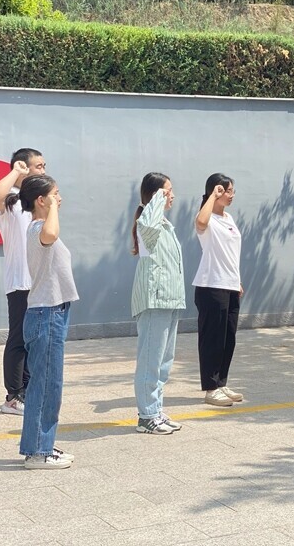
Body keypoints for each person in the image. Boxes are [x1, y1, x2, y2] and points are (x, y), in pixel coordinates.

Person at [7, 175, 78, 469]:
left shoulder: (38, 227)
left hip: (52, 313)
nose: (60, 199)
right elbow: (50, 233)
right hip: (46, 314)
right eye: (55, 194)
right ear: (41, 200)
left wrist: (52, 206)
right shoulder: (39, 227)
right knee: (46, 385)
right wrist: (52, 208)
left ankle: (42, 444)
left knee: (49, 384)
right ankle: (38, 452)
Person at [0, 148, 47, 415]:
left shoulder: (37, 203)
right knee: (19, 338)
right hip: (20, 281)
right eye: (38, 166)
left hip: (39, 281)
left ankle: (29, 390)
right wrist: (16, 172)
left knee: (34, 339)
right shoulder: (12, 201)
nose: (42, 170)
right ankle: (13, 396)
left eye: (44, 166)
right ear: (23, 167)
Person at [130, 172, 186, 434]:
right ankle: (147, 417)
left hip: (169, 299)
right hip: (155, 300)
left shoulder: (164, 224)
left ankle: (156, 410)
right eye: (167, 191)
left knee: (163, 362)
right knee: (150, 361)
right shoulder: (147, 222)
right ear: (155, 196)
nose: (172, 195)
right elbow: (148, 227)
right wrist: (156, 201)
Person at [193, 173, 244, 407]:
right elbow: (200, 223)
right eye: (227, 191)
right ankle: (210, 389)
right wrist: (212, 196)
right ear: (216, 191)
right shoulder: (207, 218)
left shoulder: (228, 217)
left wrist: (237, 281)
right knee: (212, 339)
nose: (232, 195)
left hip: (230, 285)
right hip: (211, 286)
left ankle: (221, 383)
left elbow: (230, 253)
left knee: (228, 339)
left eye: (232, 191)